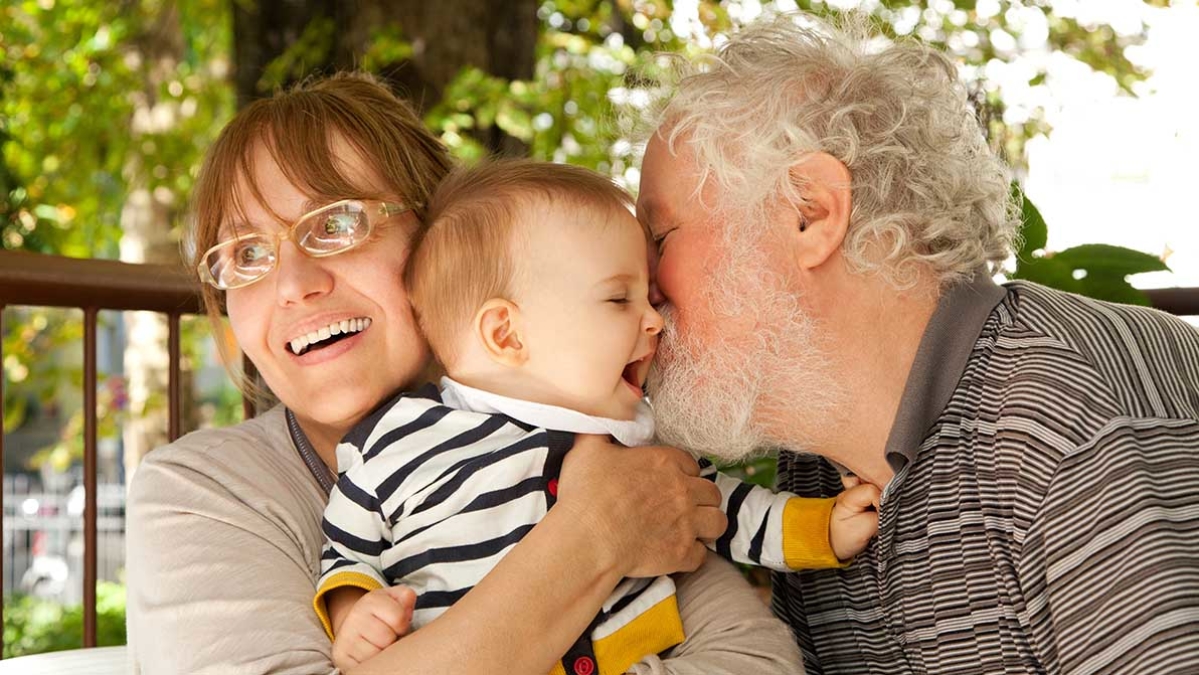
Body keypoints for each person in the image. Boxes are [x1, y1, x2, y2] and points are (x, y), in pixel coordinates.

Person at [125, 73, 803, 675]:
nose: (294, 284)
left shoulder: (590, 423)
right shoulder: (204, 492)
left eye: (335, 222)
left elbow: (754, 658)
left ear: (435, 241)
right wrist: (592, 534)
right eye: (246, 254)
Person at [636, 12, 1199, 675]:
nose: (639, 284)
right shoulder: (817, 463)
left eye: (660, 237)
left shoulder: (1056, 409)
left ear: (809, 212)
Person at [316, 159, 881, 673]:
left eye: (646, 295)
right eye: (619, 300)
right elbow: (346, 549)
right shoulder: (395, 442)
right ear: (507, 334)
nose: (654, 320)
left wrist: (820, 528)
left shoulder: (632, 445)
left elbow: (722, 509)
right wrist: (353, 610)